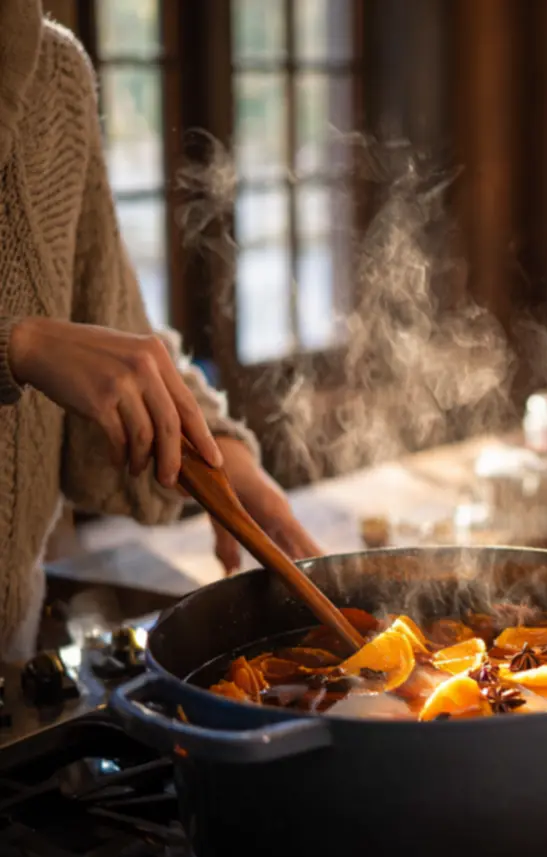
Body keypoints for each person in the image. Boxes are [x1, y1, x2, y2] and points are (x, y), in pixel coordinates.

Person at [0, 0, 320, 658]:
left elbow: (110, 327)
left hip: (14, 638)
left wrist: (226, 461)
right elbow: (48, 344)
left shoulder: (55, 75)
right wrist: (19, 345)